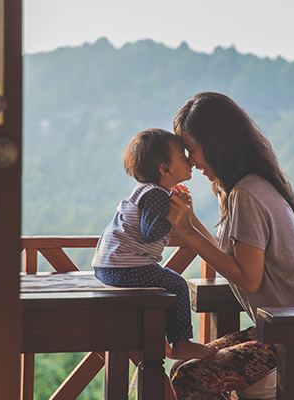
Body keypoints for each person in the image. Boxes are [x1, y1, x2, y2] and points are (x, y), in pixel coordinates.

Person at [166, 92, 294, 399]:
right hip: (290, 331)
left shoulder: (247, 193)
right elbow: (230, 260)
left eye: (192, 150)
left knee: (188, 376)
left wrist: (190, 233)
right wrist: (190, 223)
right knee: (184, 363)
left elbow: (249, 278)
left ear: (216, 143)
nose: (191, 163)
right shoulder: (245, 188)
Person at [92, 128, 217, 360]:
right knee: (178, 284)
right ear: (164, 169)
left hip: (110, 267)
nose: (189, 160)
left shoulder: (147, 191)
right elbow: (150, 233)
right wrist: (175, 217)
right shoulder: (157, 196)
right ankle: (181, 343)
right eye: (182, 155)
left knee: (162, 285)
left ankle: (159, 339)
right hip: (126, 268)